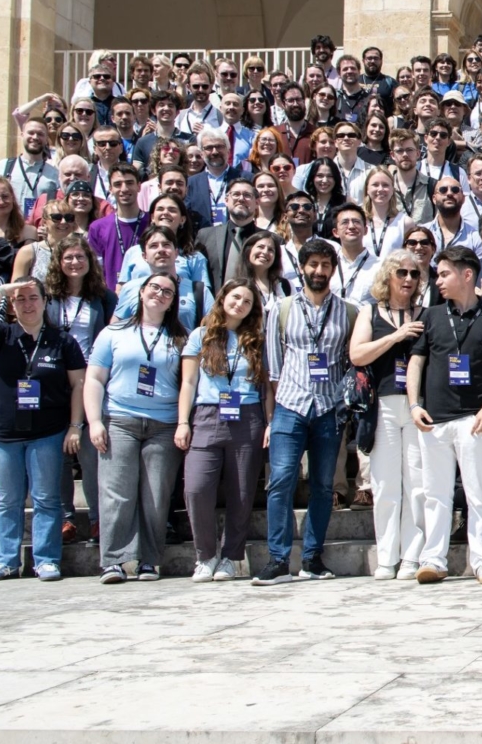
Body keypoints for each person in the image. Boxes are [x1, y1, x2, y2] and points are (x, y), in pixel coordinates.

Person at [407, 246, 482, 584]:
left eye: (444, 273)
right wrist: (414, 404)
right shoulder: (432, 315)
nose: (438, 281)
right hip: (434, 420)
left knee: (478, 493)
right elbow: (416, 363)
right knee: (435, 493)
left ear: (467, 275)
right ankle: (433, 560)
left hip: (475, 419)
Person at [254, 238, 351, 585]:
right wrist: (278, 408)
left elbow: (347, 361)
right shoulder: (279, 309)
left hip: (328, 407)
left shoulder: (348, 311)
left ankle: (312, 557)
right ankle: (278, 559)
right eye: (313, 265)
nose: (319, 271)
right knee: (280, 482)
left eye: (326, 265)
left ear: (333, 270)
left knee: (324, 486)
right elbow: (273, 367)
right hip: (290, 406)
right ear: (302, 268)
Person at [0, 279, 82, 582]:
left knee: (46, 498)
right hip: (5, 433)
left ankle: (46, 559)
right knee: (9, 500)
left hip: (48, 431)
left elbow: (77, 386)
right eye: (20, 299)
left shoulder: (62, 341)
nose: (28, 304)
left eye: (34, 298)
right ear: (11, 305)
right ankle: (6, 560)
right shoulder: (2, 336)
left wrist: (75, 426)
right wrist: (1, 291)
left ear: (45, 302)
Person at [85, 271, 187, 583]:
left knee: (156, 495)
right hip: (120, 420)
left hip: (163, 425)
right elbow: (94, 378)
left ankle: (149, 561)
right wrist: (94, 421)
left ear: (172, 303)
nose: (160, 294)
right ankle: (113, 561)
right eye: (154, 288)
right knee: (117, 493)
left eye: (167, 292)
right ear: (141, 293)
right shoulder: (113, 333)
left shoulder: (181, 338)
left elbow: (187, 383)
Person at [175, 280, 269, 582]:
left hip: (248, 416)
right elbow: (188, 383)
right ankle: (205, 555)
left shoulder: (257, 339)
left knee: (241, 493)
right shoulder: (200, 336)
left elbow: (266, 385)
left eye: (247, 301)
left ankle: (231, 557)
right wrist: (183, 422)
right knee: (196, 488)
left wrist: (269, 422)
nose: (239, 304)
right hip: (207, 414)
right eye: (235, 297)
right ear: (223, 298)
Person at [347, 251, 428, 579]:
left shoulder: (425, 312)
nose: (408, 279)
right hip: (381, 404)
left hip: (417, 405)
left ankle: (411, 556)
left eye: (414, 274)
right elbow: (356, 354)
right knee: (384, 484)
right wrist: (396, 336)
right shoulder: (369, 312)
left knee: (417, 484)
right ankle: (386, 557)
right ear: (388, 277)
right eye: (401, 273)